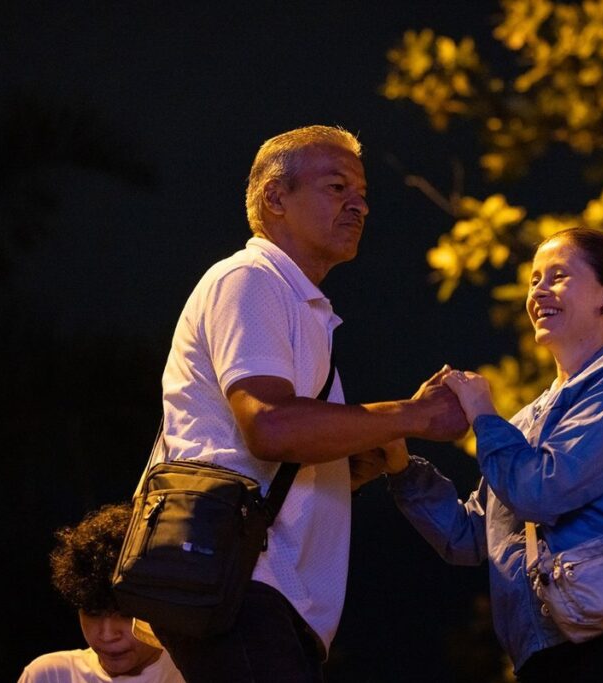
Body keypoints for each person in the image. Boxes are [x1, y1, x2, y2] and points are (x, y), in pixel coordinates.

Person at [150, 124, 468, 682]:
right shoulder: (251, 279)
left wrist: (360, 456)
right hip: (245, 583)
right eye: (337, 187)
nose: (360, 205)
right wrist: (416, 414)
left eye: (362, 192)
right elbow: (271, 428)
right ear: (275, 198)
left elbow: (276, 455)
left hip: (264, 592)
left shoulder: (300, 304)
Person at [382, 227, 603, 681]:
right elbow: (468, 537)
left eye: (558, 277)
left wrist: (484, 416)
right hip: (548, 652)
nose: (538, 292)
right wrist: (400, 463)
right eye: (533, 280)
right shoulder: (527, 419)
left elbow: (541, 491)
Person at [19, 503, 184, 683]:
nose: (107, 635)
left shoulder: (190, 674)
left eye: (125, 615)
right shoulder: (50, 676)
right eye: (93, 613)